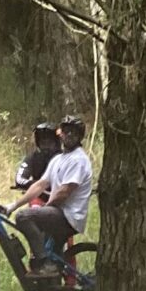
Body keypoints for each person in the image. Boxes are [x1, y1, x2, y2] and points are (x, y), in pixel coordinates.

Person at [17, 114, 93, 276]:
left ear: (80, 136)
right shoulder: (59, 159)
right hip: (59, 211)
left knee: (24, 217)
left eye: (74, 132)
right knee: (53, 252)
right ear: (61, 134)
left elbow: (64, 192)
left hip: (69, 216)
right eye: (66, 132)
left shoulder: (78, 159)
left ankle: (45, 264)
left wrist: (47, 206)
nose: (69, 135)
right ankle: (51, 285)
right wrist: (13, 205)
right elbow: (39, 184)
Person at [13, 120, 61, 194]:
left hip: (61, 199)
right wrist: (38, 184)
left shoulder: (65, 158)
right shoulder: (33, 157)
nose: (46, 146)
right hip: (37, 197)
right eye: (43, 143)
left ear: (56, 142)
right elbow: (19, 179)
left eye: (50, 143)